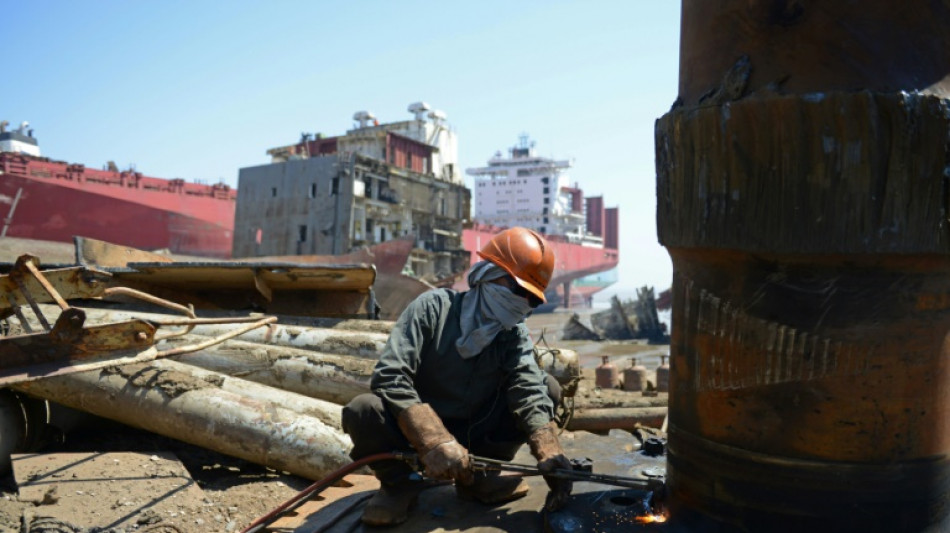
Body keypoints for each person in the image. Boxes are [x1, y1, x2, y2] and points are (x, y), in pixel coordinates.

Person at [341, 226, 573, 526]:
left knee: (547, 389)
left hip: (478, 434)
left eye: (531, 298)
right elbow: (390, 376)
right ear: (489, 274)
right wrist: (434, 441)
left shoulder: (511, 332)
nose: (522, 303)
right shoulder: (433, 308)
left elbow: (527, 390)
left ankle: (479, 478)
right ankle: (401, 486)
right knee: (363, 410)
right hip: (414, 436)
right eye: (517, 290)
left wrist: (549, 450)